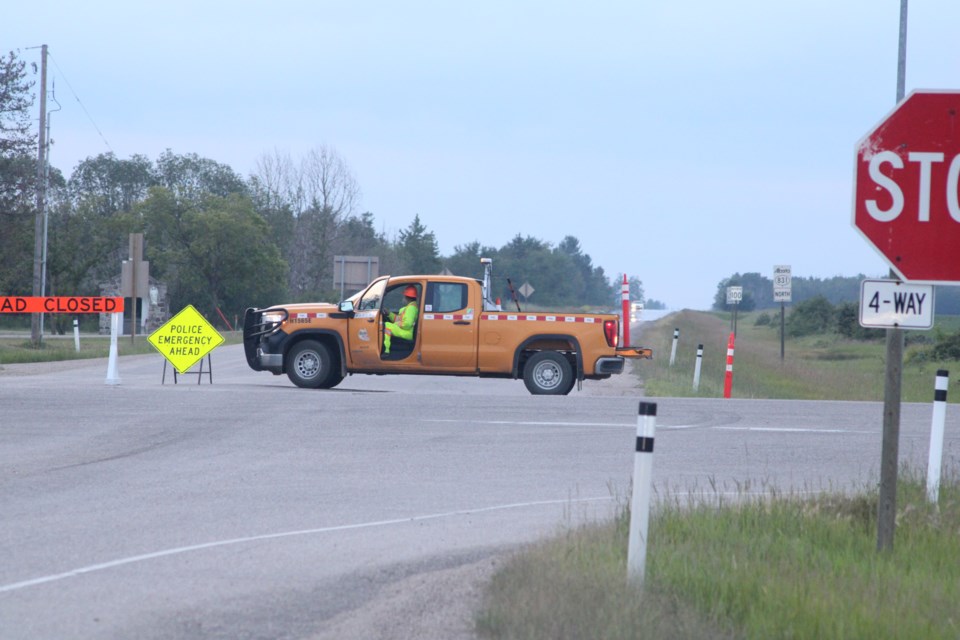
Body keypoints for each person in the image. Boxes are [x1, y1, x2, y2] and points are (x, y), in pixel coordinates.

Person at [383, 285, 419, 354]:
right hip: (407, 331)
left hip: (407, 333)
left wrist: (396, 324)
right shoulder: (409, 307)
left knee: (387, 325)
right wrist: (389, 314)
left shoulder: (411, 308)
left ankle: (385, 349)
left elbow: (407, 324)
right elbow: (399, 319)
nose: (403, 298)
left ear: (407, 297)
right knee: (388, 325)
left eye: (404, 296)